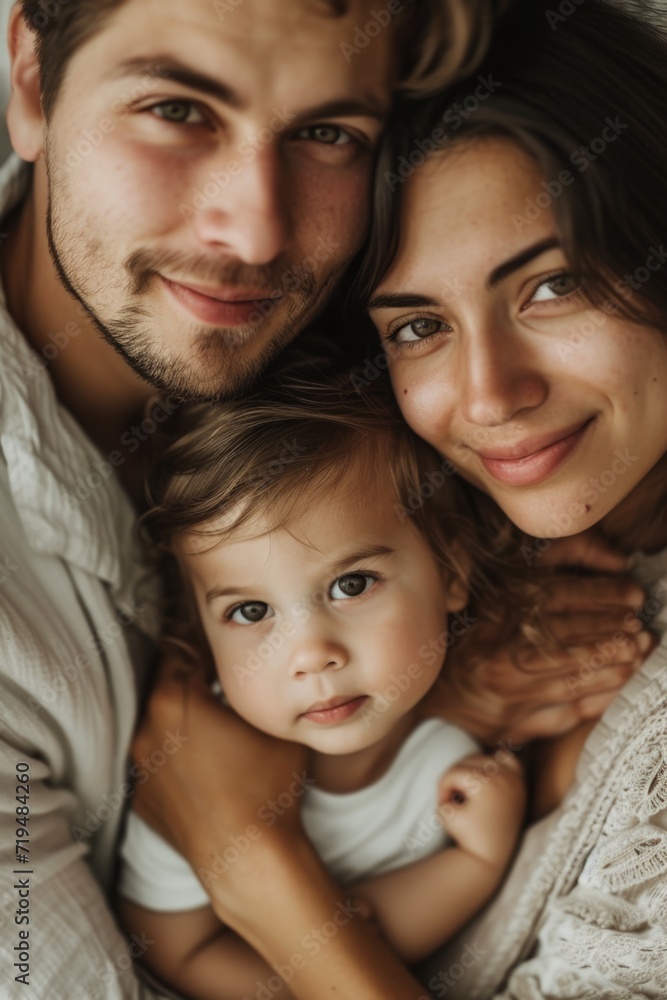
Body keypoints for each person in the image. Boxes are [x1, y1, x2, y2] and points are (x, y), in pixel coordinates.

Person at [0, 0, 651, 997]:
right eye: (178, 109)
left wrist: (435, 699)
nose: (256, 230)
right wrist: (244, 853)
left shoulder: (354, 350)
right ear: (31, 78)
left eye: (326, 132)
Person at [354, 0, 667, 995]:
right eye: (417, 327)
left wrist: (255, 864)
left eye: (550, 286)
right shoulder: (384, 548)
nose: (489, 395)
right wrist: (432, 708)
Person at [115, 372, 525, 998]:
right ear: (200, 629)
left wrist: (481, 857)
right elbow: (180, 954)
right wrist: (472, 868)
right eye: (251, 613)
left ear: (451, 570)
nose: (310, 656)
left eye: (352, 585)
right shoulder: (196, 773)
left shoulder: (458, 759)